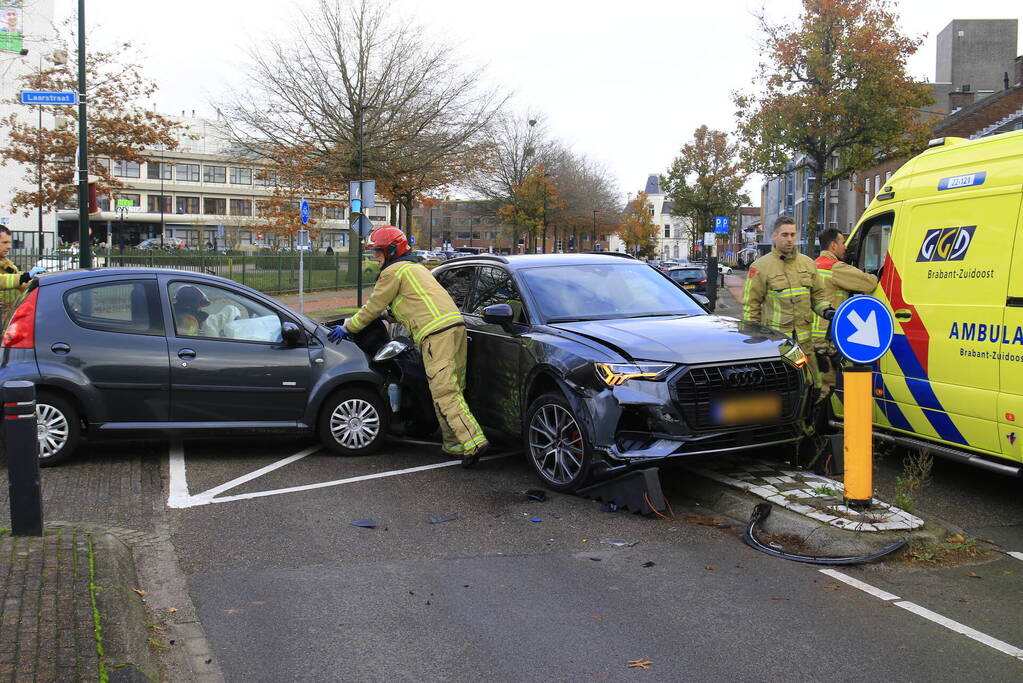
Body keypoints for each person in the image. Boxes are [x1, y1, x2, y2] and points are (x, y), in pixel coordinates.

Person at [327, 226, 488, 466]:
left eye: (378, 253)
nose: (376, 258)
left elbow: (371, 307)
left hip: (435, 335)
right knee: (453, 387)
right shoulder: (415, 269)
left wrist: (348, 327)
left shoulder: (393, 271)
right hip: (454, 328)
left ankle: (473, 442)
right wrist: (388, 315)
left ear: (391, 251)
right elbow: (414, 303)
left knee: (445, 391)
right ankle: (453, 444)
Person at [742, 216, 835, 388]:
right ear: (774, 236)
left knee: (816, 387)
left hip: (805, 345)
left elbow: (819, 297)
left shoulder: (808, 264)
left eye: (793, 234)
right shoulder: (761, 267)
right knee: (783, 389)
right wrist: (753, 338)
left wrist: (827, 311)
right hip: (776, 344)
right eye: (785, 235)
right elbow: (751, 305)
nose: (790, 239)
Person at [811, 228, 878, 396]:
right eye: (842, 243)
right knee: (825, 388)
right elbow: (869, 283)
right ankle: (811, 422)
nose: (846, 247)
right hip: (826, 339)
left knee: (813, 385)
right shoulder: (836, 268)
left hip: (809, 337)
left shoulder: (812, 266)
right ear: (833, 246)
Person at [0, 226, 45, 318]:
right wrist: (26, 276)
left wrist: (36, 281)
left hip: (8, 315)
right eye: (5, 242)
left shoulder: (6, 263)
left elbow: (21, 283)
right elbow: (2, 281)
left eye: (9, 242)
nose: (9, 247)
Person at [172, 285, 242, 338]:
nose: (200, 309)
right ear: (194, 304)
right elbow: (231, 311)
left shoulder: (173, 316)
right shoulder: (192, 321)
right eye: (200, 306)